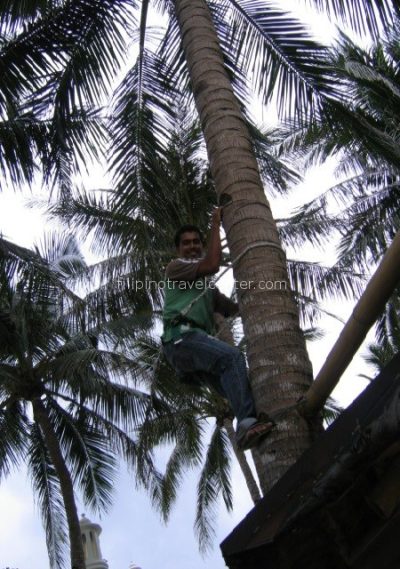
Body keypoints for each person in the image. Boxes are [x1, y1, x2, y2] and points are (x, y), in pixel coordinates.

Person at [161, 208, 274, 449]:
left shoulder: (206, 289)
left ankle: (252, 422)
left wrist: (259, 295)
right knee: (232, 358)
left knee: (236, 385)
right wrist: (215, 223)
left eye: (196, 243)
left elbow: (232, 308)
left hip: (189, 353)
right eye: (186, 243)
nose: (192, 247)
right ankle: (246, 425)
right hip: (181, 339)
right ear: (178, 250)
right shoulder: (175, 267)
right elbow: (212, 264)